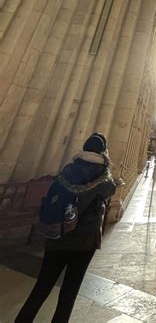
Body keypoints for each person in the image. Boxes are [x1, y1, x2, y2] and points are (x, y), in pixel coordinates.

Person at [15, 133, 116, 323]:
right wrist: (105, 164)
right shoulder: (102, 176)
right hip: (85, 241)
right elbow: (111, 189)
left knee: (42, 287)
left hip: (58, 235)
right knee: (69, 293)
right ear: (103, 153)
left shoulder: (69, 169)